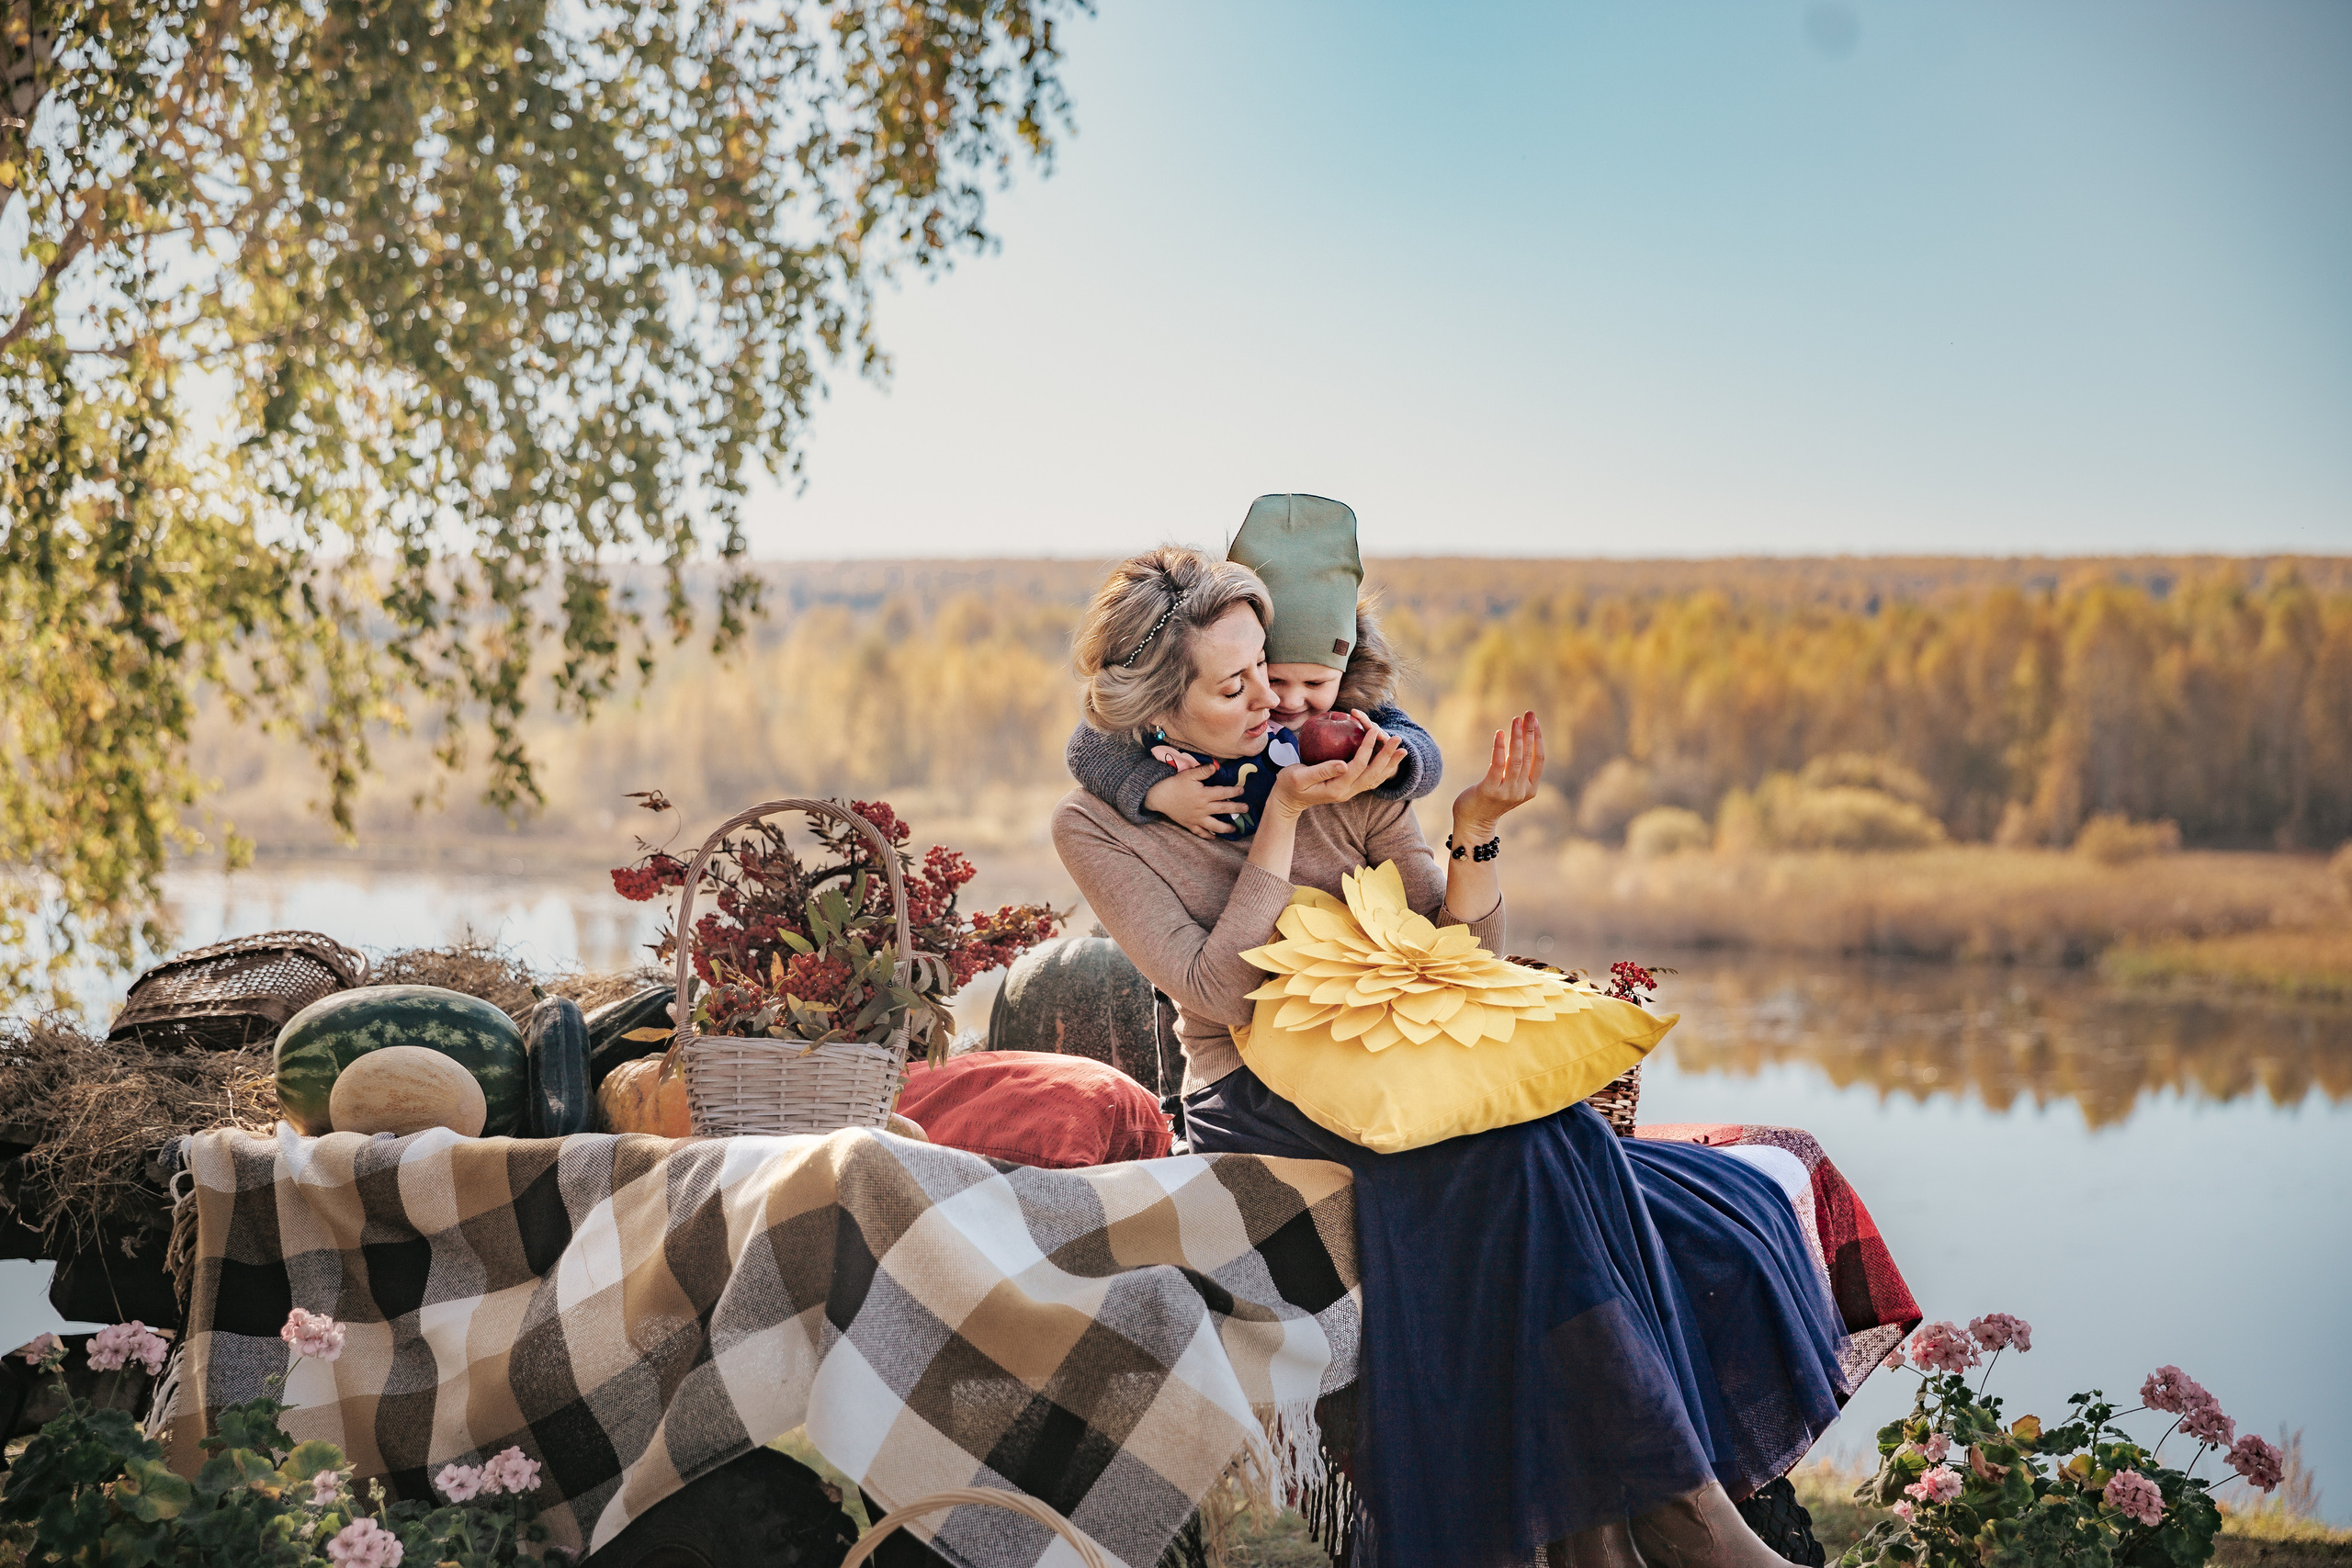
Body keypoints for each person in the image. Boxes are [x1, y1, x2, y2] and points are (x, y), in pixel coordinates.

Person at [1052, 543, 1850, 1568]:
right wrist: (1279, 831)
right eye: (1234, 683)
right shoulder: (1098, 826)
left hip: (1392, 1057)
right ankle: (1686, 1527)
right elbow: (1213, 992)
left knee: (1548, 1139)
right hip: (1258, 1088)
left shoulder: (1339, 764)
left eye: (1269, 668)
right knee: (1532, 1155)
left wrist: (1472, 831)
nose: (1269, 702)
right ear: (1157, 708)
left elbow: (1461, 962)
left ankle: (1616, 1539)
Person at [1063, 493, 1441, 840]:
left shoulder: (1348, 706)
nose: (1287, 700)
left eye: (1315, 682)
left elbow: (1424, 751)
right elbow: (1090, 745)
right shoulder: (1187, 703)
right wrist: (1157, 791)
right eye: (1270, 675)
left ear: (1343, 672)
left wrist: (1392, 762)